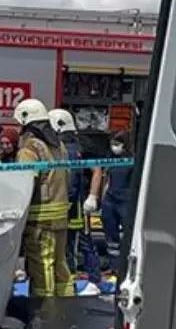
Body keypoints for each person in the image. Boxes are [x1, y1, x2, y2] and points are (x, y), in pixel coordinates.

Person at [13, 99, 74, 298]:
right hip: (60, 217)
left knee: (41, 269)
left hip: (40, 219)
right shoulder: (59, 146)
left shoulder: (29, 150)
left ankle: (44, 314)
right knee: (60, 267)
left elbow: (24, 184)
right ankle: (67, 308)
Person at [49, 108, 96, 277]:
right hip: (68, 202)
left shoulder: (72, 149)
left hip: (74, 204)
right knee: (72, 243)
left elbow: (81, 175)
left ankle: (88, 276)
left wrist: (91, 196)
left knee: (77, 242)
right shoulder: (66, 147)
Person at [85, 131, 133, 276]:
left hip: (126, 202)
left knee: (127, 235)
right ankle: (114, 266)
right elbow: (106, 180)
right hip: (110, 201)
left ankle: (126, 268)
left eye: (117, 143)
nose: (114, 147)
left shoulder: (132, 161)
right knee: (110, 236)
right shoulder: (110, 159)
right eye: (113, 143)